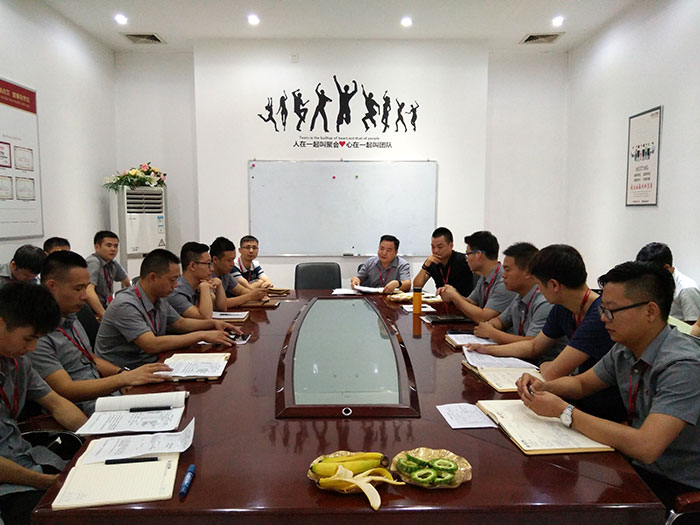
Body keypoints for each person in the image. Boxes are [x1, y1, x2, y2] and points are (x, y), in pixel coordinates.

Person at [517, 261, 700, 511]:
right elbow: (582, 384)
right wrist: (544, 387)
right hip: (637, 467)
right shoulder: (625, 348)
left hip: (678, 487)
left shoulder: (683, 365)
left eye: (611, 311)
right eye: (603, 309)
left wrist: (564, 411)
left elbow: (646, 446)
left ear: (650, 311)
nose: (603, 318)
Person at [468, 244, 626, 421]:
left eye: (538, 285)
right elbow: (534, 346)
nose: (538, 291)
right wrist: (487, 349)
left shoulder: (598, 317)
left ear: (554, 285)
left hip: (601, 410)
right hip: (577, 398)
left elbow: (552, 372)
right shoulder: (563, 307)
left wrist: (544, 363)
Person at [29, 251, 170, 416]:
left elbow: (92, 359)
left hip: (107, 394)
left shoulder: (70, 317)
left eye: (86, 287)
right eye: (78, 289)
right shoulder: (36, 335)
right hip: (85, 408)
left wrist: (123, 374)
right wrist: (122, 380)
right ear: (52, 286)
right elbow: (66, 389)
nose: (84, 296)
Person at [0, 282, 88, 525]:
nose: (32, 348)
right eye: (28, 338)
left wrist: (94, 439)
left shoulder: (16, 362)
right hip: (12, 486)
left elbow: (57, 404)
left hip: (29, 463)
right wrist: (47, 482)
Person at [95, 249, 237, 370]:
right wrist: (201, 335)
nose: (175, 286)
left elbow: (180, 323)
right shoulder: (125, 305)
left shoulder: (159, 297)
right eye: (172, 280)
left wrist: (213, 323)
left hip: (152, 364)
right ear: (152, 277)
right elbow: (151, 344)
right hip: (127, 374)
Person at [472, 242, 555, 349]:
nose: (503, 275)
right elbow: (500, 321)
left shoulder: (545, 301)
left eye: (507, 270)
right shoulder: (520, 296)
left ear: (528, 272)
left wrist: (491, 333)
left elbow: (532, 343)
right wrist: (489, 326)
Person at [438, 231, 516, 323]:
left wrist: (455, 296)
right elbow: (471, 303)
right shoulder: (484, 276)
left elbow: (483, 317)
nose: (466, 259)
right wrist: (452, 294)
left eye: (468, 254)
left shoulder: (504, 281)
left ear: (478, 254)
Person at [635, 242, 700, 323]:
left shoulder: (687, 289)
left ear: (666, 268)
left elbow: (694, 327)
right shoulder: (655, 283)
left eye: (650, 273)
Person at [167, 242, 227, 319]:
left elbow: (222, 308)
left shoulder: (199, 284)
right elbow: (205, 317)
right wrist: (204, 288)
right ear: (192, 266)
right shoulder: (176, 292)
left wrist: (219, 286)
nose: (212, 269)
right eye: (208, 264)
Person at [412, 227, 474, 297]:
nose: (435, 251)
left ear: (451, 245)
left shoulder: (463, 260)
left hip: (463, 301)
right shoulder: (433, 262)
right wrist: (425, 265)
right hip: (442, 301)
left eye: (440, 247)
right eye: (433, 247)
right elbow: (417, 286)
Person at [85, 231, 130, 320]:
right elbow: (88, 291)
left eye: (115, 246)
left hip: (106, 306)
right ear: (97, 247)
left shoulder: (113, 262)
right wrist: (104, 315)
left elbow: (127, 282)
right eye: (109, 245)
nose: (113, 249)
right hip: (91, 311)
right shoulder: (93, 262)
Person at [210, 237, 268, 307]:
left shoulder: (225, 274)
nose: (232, 264)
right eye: (229, 260)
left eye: (233, 260)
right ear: (215, 259)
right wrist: (250, 296)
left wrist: (258, 295)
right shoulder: (207, 275)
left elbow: (241, 290)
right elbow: (218, 304)